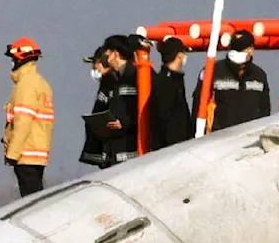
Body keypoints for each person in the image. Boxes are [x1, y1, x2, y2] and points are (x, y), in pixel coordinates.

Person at [1, 37, 54, 197]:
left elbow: (23, 122)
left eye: (13, 59)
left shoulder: (25, 85)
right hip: (37, 152)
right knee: (37, 198)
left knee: (30, 201)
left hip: (26, 153)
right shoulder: (41, 83)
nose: (11, 63)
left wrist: (12, 153)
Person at [192, 29, 271, 133]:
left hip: (250, 138)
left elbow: (264, 109)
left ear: (251, 50)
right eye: (234, 48)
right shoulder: (213, 71)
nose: (236, 52)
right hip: (218, 138)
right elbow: (198, 105)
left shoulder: (259, 75)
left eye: (241, 49)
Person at [79, 35, 139, 169]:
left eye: (107, 53)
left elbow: (144, 109)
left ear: (115, 54)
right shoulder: (116, 79)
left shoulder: (134, 76)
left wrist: (125, 122)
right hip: (112, 151)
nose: (105, 56)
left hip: (129, 152)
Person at [150, 36, 193, 150]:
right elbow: (166, 115)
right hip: (169, 147)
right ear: (179, 55)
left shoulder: (175, 79)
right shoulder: (165, 81)